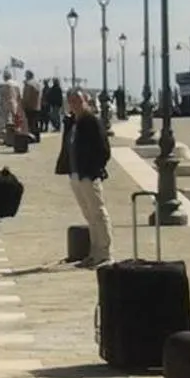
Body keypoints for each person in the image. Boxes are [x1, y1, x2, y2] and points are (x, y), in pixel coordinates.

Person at [63, 88, 113, 267]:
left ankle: (105, 253)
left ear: (86, 101)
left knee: (98, 212)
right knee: (89, 214)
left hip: (88, 174)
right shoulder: (72, 122)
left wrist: (94, 168)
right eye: (71, 101)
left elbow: (104, 149)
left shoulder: (92, 121)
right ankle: (94, 252)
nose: (74, 104)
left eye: (78, 100)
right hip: (76, 173)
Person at [21, 72, 43, 138]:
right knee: (35, 123)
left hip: (30, 107)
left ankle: (32, 137)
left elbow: (27, 97)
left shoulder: (28, 84)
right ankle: (37, 137)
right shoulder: (38, 84)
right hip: (37, 106)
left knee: (30, 123)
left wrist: (24, 105)